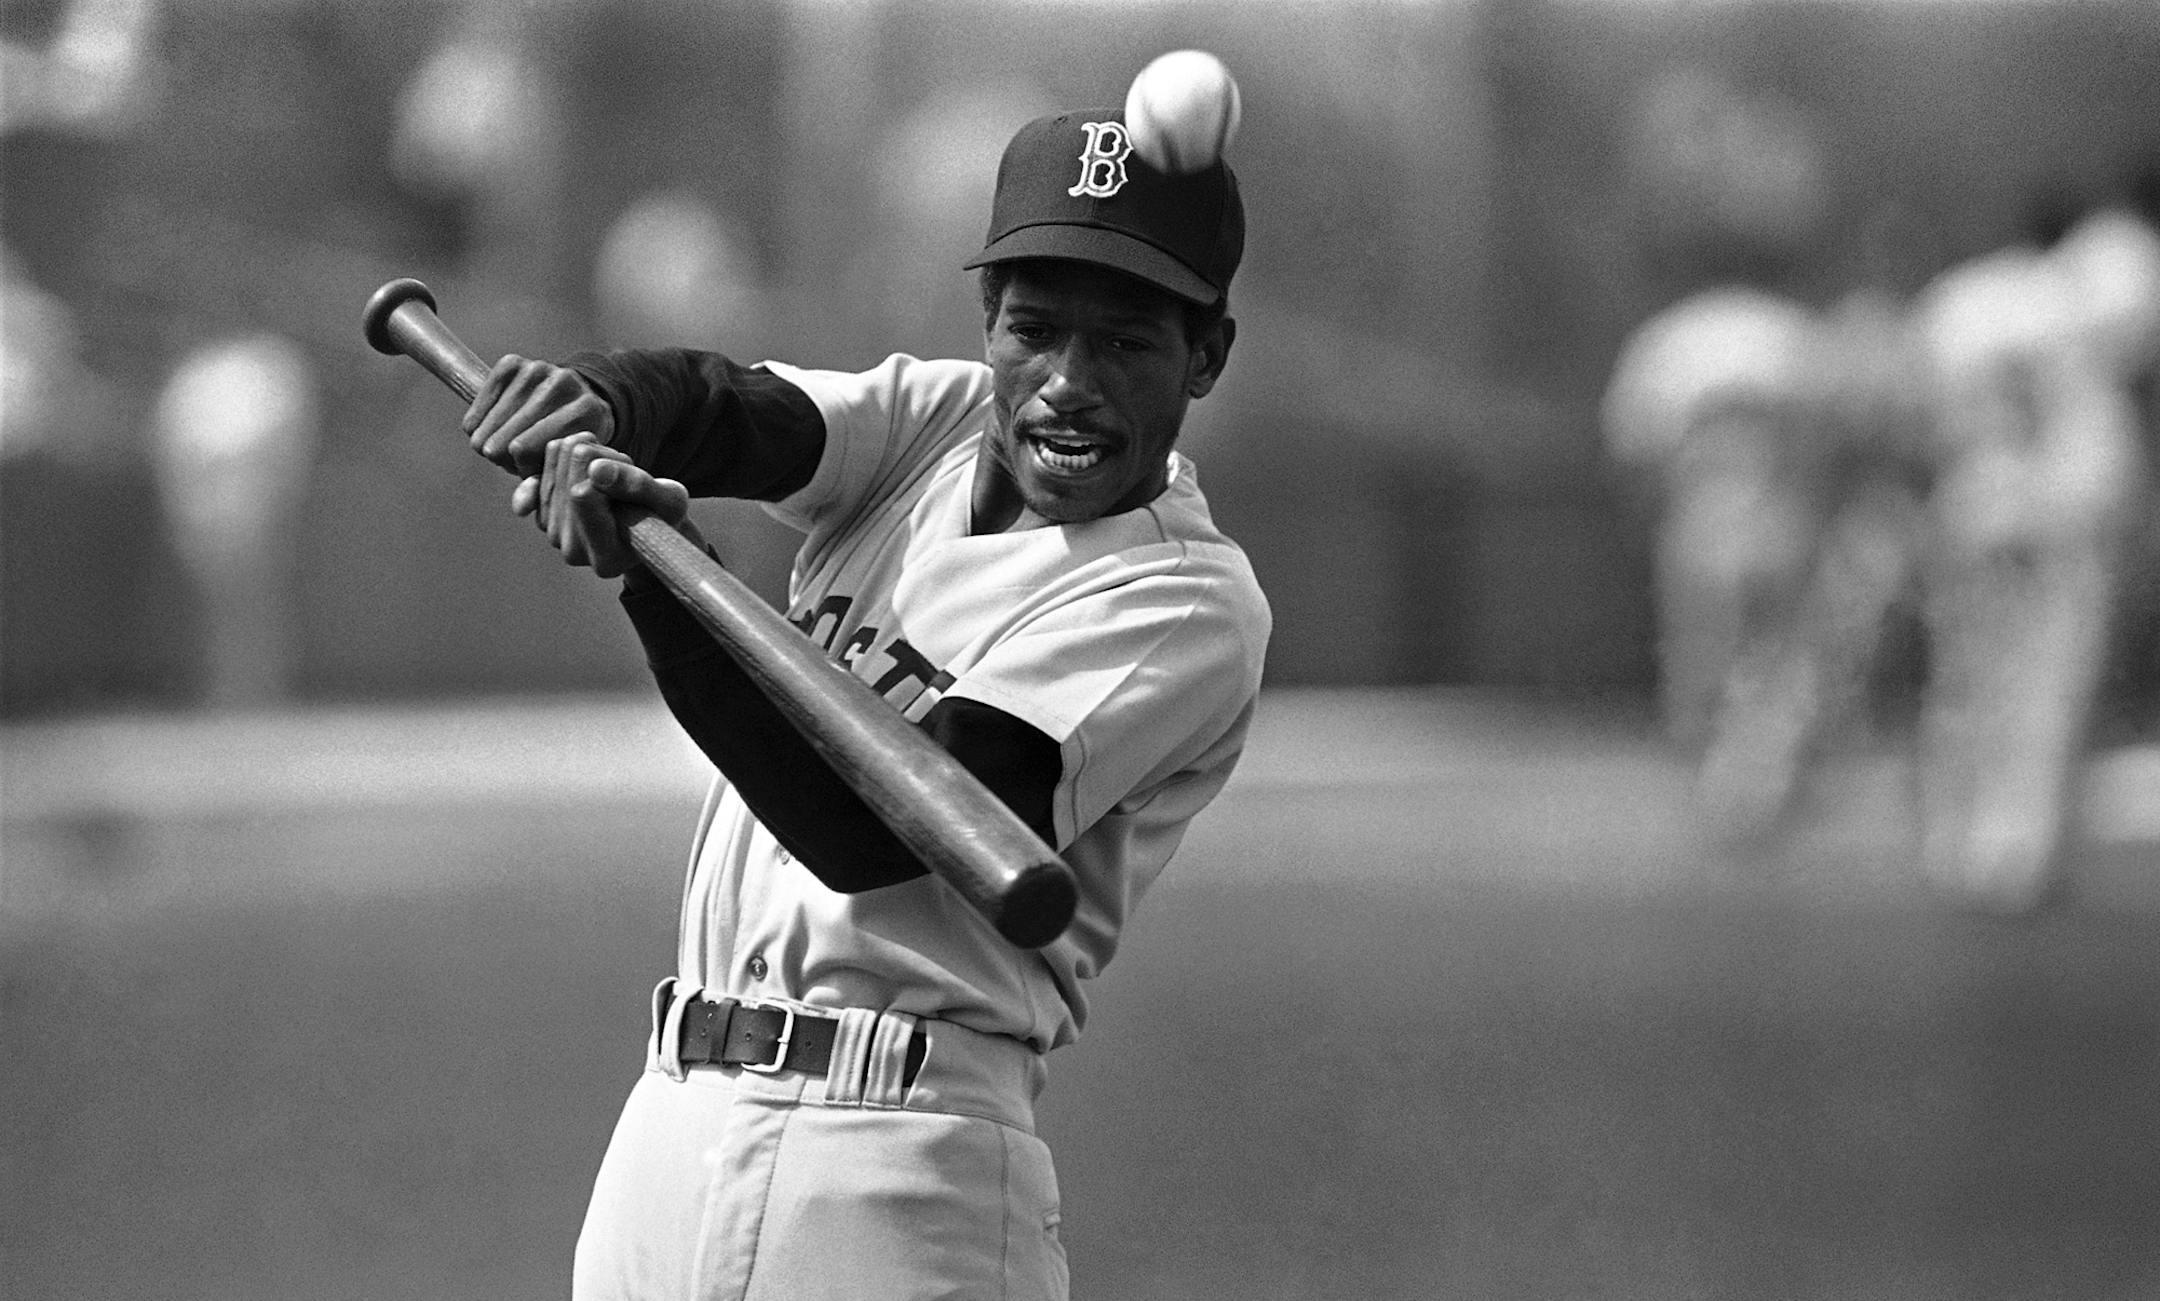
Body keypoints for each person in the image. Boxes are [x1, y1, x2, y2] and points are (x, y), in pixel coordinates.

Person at [458, 105, 1270, 1300]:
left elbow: (875, 827)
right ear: (987, 321)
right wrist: (589, 404)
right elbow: (723, 405)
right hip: (668, 1133)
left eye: (1127, 343)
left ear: (1206, 354)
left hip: (897, 1161)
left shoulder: (1184, 598)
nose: (1068, 385)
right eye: (1035, 332)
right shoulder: (938, 426)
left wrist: (652, 582)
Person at [1908, 194, 2160, 912]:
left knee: (1963, 680)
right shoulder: (2076, 296)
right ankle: (2014, 853)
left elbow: (1918, 410)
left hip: (1974, 497)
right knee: (2045, 684)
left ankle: (1950, 841)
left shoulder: (1954, 299)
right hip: (2054, 508)